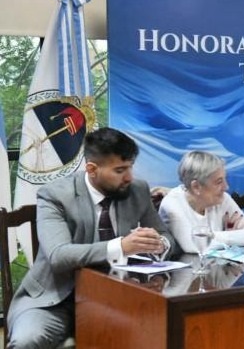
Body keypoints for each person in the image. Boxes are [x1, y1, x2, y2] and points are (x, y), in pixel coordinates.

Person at [7, 127, 177, 349]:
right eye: (120, 170)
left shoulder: (136, 190)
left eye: (131, 167)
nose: (129, 177)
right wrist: (121, 246)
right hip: (54, 298)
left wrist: (157, 243)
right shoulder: (55, 195)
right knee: (27, 342)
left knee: (163, 333)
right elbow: (59, 255)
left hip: (119, 296)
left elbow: (166, 237)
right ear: (92, 169)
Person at [158, 150, 244, 253]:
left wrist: (215, 236)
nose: (226, 187)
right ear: (196, 187)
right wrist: (235, 237)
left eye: (225, 179)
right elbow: (193, 246)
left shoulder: (222, 198)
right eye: (219, 182)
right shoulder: (172, 204)